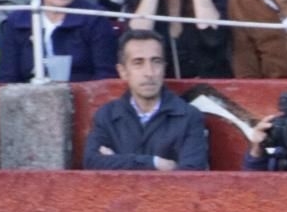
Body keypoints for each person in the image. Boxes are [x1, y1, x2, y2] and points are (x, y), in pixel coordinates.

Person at [83, 28, 209, 170]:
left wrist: (116, 160)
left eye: (156, 62)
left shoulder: (189, 116)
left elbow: (192, 173)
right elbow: (92, 162)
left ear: (164, 68)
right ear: (123, 71)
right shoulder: (106, 115)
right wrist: (154, 163)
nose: (149, 72)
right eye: (138, 63)